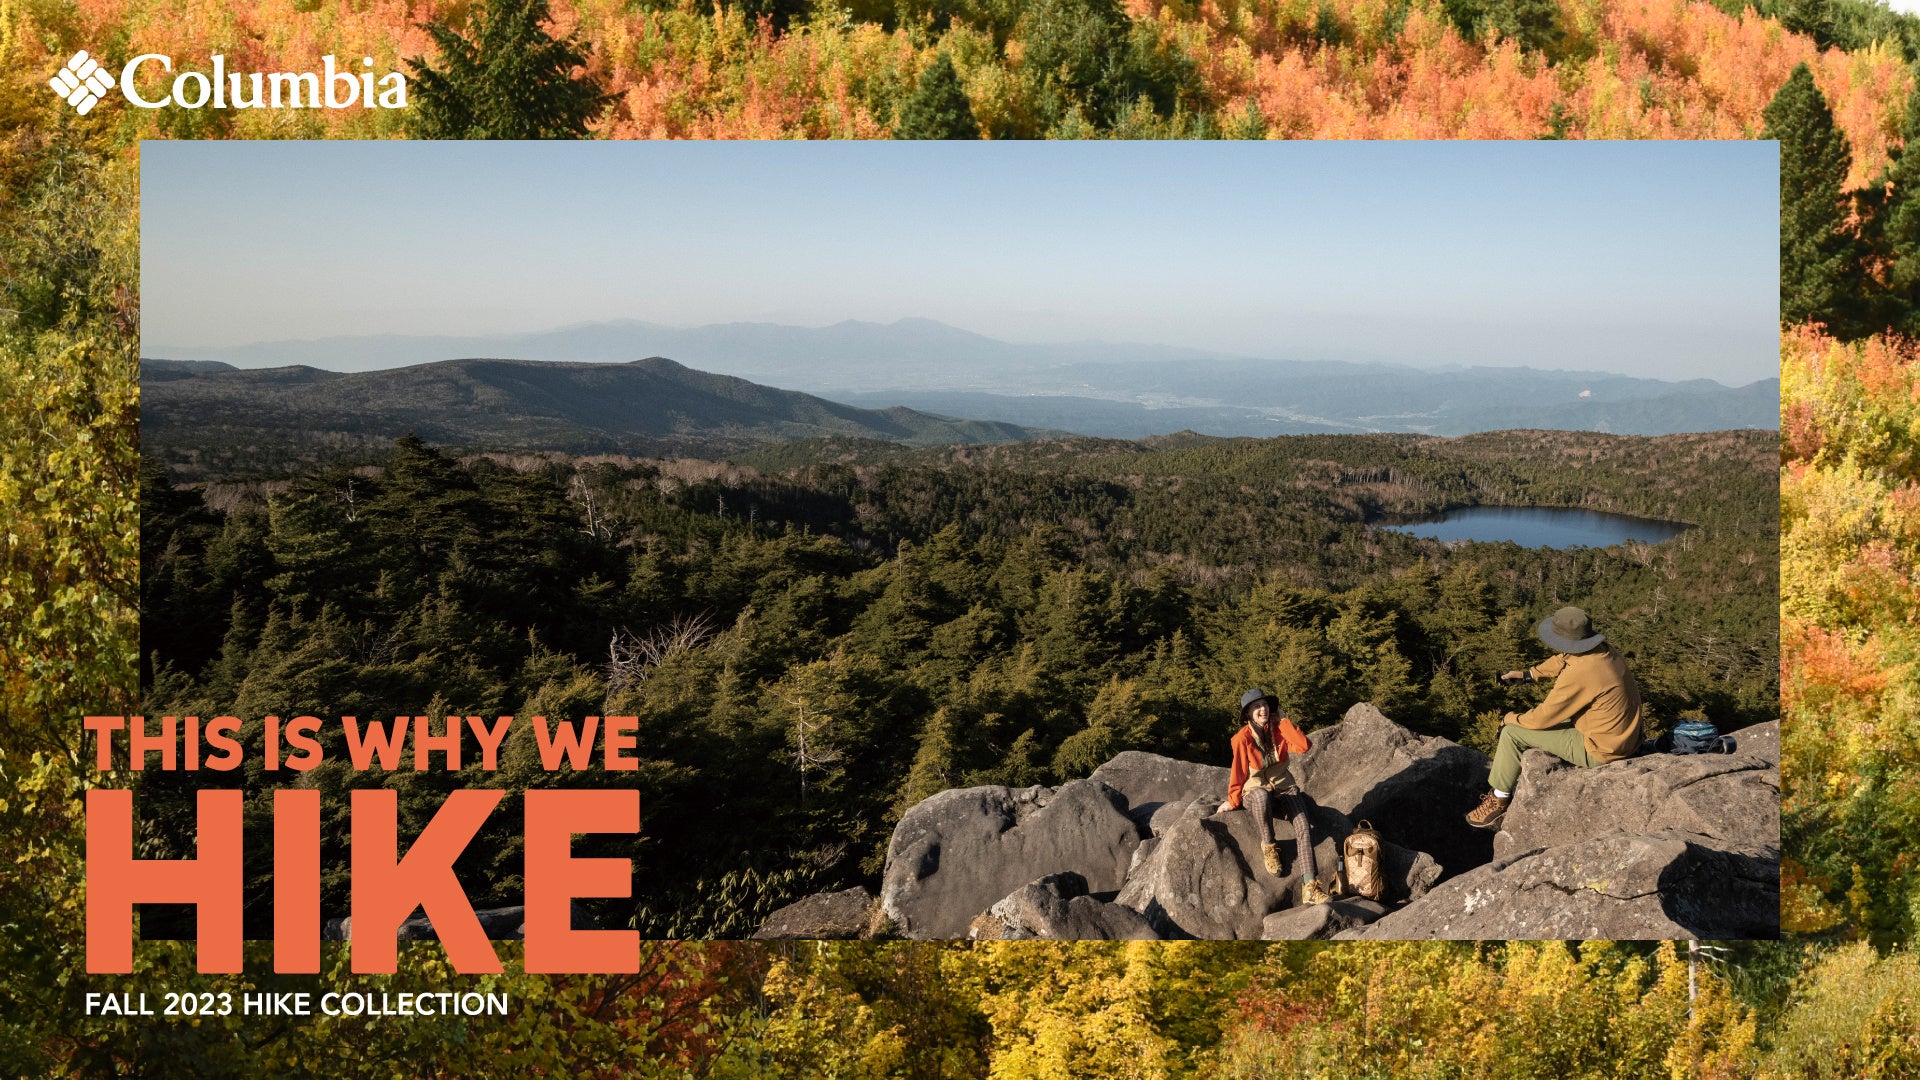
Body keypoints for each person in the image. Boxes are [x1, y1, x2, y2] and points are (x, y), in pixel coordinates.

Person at [1466, 605, 1644, 829]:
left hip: (1601, 749)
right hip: (1623, 737)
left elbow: (1543, 718)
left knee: (1512, 734)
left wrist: (1509, 719)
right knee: (1529, 726)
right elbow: (1562, 659)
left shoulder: (1582, 673)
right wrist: (1527, 675)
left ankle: (1499, 800)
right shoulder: (1602, 651)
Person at [1218, 688, 1316, 881]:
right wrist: (1233, 800)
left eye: (1264, 704)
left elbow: (1303, 746)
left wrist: (1283, 719)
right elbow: (1238, 771)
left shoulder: (1279, 729)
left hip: (1283, 788)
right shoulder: (1242, 738)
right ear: (1247, 713)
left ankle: (1310, 883)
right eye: (1256, 706)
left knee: (1303, 826)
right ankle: (1269, 845)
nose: (1262, 709)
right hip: (1255, 792)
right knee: (1262, 795)